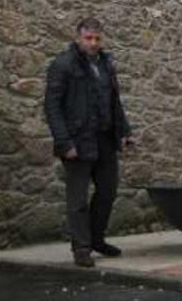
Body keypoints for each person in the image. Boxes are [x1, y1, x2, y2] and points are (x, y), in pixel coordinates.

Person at [44, 17, 136, 268]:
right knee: (78, 199)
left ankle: (96, 239)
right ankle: (81, 248)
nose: (93, 43)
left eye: (97, 38)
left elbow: (114, 101)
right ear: (78, 38)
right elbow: (52, 107)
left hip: (105, 138)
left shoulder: (106, 64)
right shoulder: (63, 65)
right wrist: (64, 142)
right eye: (88, 38)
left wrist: (125, 131)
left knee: (107, 192)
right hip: (77, 141)